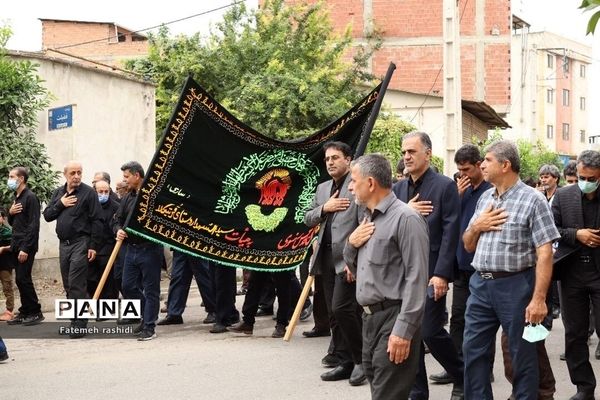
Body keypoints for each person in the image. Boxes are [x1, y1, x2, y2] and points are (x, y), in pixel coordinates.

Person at [462, 140, 559, 400]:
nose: (482, 164)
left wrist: (538, 299)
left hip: (515, 285)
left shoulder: (533, 199)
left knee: (522, 354)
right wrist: (476, 226)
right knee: (473, 350)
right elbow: (468, 244)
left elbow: (545, 252)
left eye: (488, 160)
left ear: (505, 165)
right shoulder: (485, 198)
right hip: (480, 285)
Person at [343, 153, 429, 400]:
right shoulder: (367, 217)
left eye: (354, 180)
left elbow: (417, 277)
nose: (350, 187)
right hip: (369, 319)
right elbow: (353, 268)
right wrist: (351, 243)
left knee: (387, 394)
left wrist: (403, 331)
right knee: (379, 388)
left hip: (394, 316)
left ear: (370, 183)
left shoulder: (406, 218)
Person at [391, 131, 463, 400]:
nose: (406, 157)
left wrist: (442, 274)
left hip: (432, 271)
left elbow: (450, 232)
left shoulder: (444, 186)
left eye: (411, 151)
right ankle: (417, 390)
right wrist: (405, 210)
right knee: (408, 332)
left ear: (428, 153)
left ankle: (462, 374)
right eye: (403, 153)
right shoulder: (397, 190)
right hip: (402, 274)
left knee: (431, 331)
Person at [429, 144, 493, 386]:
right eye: (459, 171)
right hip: (460, 267)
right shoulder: (459, 191)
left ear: (479, 165)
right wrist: (455, 195)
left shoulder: (490, 191)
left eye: (467, 169)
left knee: (482, 323)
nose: (463, 175)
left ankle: (484, 369)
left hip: (481, 266)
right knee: (458, 318)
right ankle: (455, 366)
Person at [303, 141, 365, 386]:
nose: (330, 162)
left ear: (348, 160)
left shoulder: (357, 184)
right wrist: (324, 208)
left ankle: (361, 360)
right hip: (324, 258)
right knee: (333, 312)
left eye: (335, 158)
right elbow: (307, 218)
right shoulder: (323, 189)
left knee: (343, 308)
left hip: (347, 259)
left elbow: (365, 223)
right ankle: (345, 360)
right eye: (327, 159)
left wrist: (354, 259)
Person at [552, 149, 600, 400]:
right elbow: (551, 230)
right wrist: (577, 234)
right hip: (572, 273)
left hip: (598, 272)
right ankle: (584, 388)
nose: (585, 181)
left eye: (591, 177)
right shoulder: (563, 195)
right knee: (574, 334)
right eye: (582, 176)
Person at [43, 161, 102, 337]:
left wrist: (93, 246)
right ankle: (74, 321)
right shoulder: (58, 193)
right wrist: (60, 204)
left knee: (77, 283)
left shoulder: (88, 193)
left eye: (79, 172)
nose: (76, 176)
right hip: (64, 245)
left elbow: (97, 220)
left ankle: (81, 324)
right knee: (68, 284)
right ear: (65, 174)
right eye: (73, 173)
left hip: (81, 242)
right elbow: (47, 216)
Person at [113, 161, 164, 341]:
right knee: (127, 286)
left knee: (151, 290)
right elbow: (117, 219)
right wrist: (118, 230)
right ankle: (147, 314)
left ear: (137, 175)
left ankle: (149, 325)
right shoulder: (127, 197)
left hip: (149, 249)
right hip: (131, 250)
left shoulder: (152, 195)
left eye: (127, 177)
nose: (124, 180)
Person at [6, 167, 44, 326]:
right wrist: (10, 212)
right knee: (20, 280)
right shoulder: (16, 197)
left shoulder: (30, 197)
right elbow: (13, 223)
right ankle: (25, 311)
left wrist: (25, 249)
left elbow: (33, 226)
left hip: (25, 246)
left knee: (23, 278)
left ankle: (35, 311)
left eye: (12, 176)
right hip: (16, 244)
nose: (9, 180)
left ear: (21, 179)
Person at [157, 249, 216, 326]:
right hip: (180, 243)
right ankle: (174, 313)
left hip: (196, 243)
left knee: (203, 275)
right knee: (178, 276)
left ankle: (214, 310)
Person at [88, 180, 120, 299]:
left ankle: (108, 306)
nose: (103, 194)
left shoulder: (116, 207)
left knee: (109, 281)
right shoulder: (89, 206)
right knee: (91, 280)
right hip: (91, 248)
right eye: (100, 192)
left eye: (106, 191)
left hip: (108, 249)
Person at [0, 209, 15, 321]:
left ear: (3, 218)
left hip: (5, 265)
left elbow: (15, 246)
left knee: (7, 287)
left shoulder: (8, 232)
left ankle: (9, 311)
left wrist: (3, 248)